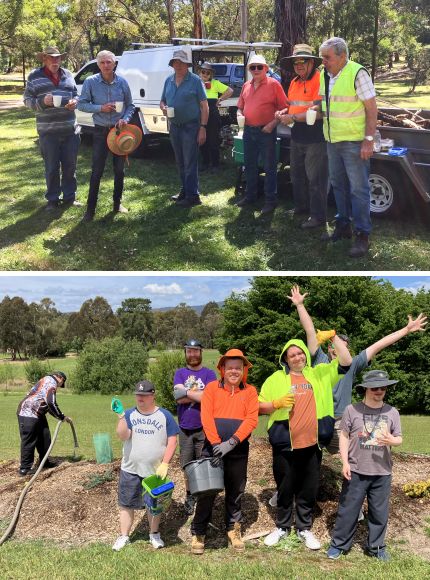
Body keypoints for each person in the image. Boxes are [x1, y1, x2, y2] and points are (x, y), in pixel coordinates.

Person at [290, 285, 427, 454]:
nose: (340, 348)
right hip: (315, 417)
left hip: (341, 421)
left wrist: (406, 330)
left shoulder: (353, 364)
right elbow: (310, 330)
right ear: (329, 346)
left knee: (347, 457)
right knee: (310, 456)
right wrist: (300, 305)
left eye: (345, 347)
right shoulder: (319, 358)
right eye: (336, 344)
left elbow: (379, 344)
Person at [259, 323, 352, 550]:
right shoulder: (274, 379)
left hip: (312, 444)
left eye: (300, 352)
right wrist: (275, 404)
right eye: (292, 355)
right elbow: (258, 406)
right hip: (284, 443)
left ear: (305, 355)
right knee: (284, 487)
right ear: (285, 359)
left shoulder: (319, 373)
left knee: (308, 488)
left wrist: (333, 337)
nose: (297, 357)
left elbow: (346, 361)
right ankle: (282, 527)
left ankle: (304, 529)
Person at [327, 370, 403, 561]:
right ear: (366, 389)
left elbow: (399, 439)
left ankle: (376, 548)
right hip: (356, 470)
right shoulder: (352, 410)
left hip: (382, 472)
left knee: (379, 513)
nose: (379, 391)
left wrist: (392, 440)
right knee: (348, 510)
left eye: (383, 387)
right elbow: (343, 436)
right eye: (375, 387)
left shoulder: (392, 412)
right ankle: (339, 545)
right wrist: (344, 462)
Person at [190, 349, 259, 555]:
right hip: (213, 450)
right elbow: (206, 417)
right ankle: (199, 531)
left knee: (235, 492)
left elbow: (251, 419)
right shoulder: (212, 388)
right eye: (230, 368)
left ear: (243, 370)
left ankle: (233, 529)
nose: (234, 371)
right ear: (222, 369)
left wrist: (232, 442)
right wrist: (216, 442)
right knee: (207, 492)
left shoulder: (250, 391)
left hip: (238, 451)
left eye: (238, 368)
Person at [318, 37, 378, 258]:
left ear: (343, 56)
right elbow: (324, 105)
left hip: (354, 142)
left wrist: (368, 139)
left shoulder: (357, 73)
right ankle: (343, 226)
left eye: (327, 57)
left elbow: (372, 108)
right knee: (338, 186)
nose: (323, 61)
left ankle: (362, 235)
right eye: (322, 57)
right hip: (332, 141)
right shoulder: (325, 75)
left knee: (358, 189)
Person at [112, 379, 179, 551]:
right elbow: (122, 435)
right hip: (130, 468)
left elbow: (172, 440)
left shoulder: (165, 415)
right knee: (126, 504)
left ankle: (154, 534)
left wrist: (165, 463)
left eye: (144, 395)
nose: (140, 398)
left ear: (152, 396)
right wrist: (120, 416)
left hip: (155, 471)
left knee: (154, 506)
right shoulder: (129, 414)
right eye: (137, 395)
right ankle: (124, 536)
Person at [77, 50, 134, 221]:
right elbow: (81, 104)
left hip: (118, 132)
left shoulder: (122, 82)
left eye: (109, 62)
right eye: (102, 63)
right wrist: (100, 108)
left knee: (119, 170)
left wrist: (125, 119)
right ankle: (90, 210)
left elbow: (130, 106)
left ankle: (117, 204)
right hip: (101, 131)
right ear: (98, 64)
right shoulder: (90, 82)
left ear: (115, 63)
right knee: (97, 171)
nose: (106, 65)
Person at [23, 46, 80, 211]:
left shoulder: (68, 75)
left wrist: (75, 102)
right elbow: (27, 100)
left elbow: (76, 94)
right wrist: (42, 103)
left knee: (70, 166)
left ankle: (70, 197)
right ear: (44, 59)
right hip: (48, 132)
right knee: (52, 167)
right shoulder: (35, 76)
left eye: (58, 58)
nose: (55, 61)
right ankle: (53, 200)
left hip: (70, 130)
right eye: (51, 58)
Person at [277, 45, 328, 229]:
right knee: (296, 175)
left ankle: (318, 217)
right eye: (295, 62)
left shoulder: (321, 79)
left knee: (316, 179)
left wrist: (291, 117)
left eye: (303, 61)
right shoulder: (294, 82)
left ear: (311, 62)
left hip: (315, 138)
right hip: (297, 136)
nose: (299, 65)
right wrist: (284, 111)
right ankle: (301, 207)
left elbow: (319, 111)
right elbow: (293, 106)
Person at [236, 54, 288, 214]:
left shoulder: (274, 85)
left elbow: (285, 108)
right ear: (249, 69)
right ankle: (250, 196)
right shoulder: (246, 86)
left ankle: (270, 200)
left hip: (267, 131)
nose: (256, 69)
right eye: (253, 67)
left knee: (269, 167)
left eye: (260, 67)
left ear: (266, 68)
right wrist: (239, 114)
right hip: (249, 131)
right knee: (249, 165)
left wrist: (273, 124)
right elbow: (240, 107)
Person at [160, 49, 209, 208]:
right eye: (176, 62)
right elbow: (162, 101)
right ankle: (185, 190)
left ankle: (193, 196)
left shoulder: (195, 81)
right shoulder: (168, 80)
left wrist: (202, 127)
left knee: (190, 162)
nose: (178, 65)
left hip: (191, 126)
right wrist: (164, 108)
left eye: (181, 62)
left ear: (187, 64)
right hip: (174, 127)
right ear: (172, 64)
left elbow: (204, 106)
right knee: (180, 161)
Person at [173, 339, 217, 515]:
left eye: (195, 351)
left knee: (204, 464)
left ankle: (203, 497)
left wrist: (187, 393)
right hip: (184, 428)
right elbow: (178, 397)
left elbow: (212, 397)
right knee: (187, 465)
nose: (192, 354)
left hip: (204, 427)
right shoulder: (180, 373)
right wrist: (201, 395)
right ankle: (190, 495)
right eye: (189, 351)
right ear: (185, 353)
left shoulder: (209, 374)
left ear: (201, 352)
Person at [16, 371, 71, 476]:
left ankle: (44, 461)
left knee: (45, 437)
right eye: (61, 383)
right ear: (60, 378)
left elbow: (47, 405)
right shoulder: (51, 383)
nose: (60, 386)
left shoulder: (46, 380)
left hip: (38, 414)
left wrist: (60, 416)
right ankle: (25, 469)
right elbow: (51, 403)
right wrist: (61, 416)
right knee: (29, 440)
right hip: (27, 412)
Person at [198, 62, 233, 172]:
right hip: (199, 113)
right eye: (203, 72)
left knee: (213, 140)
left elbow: (230, 91)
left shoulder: (215, 83)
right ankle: (205, 162)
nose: (205, 74)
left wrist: (220, 99)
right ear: (199, 72)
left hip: (212, 114)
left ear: (210, 75)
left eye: (208, 73)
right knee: (201, 139)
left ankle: (215, 164)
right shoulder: (195, 83)